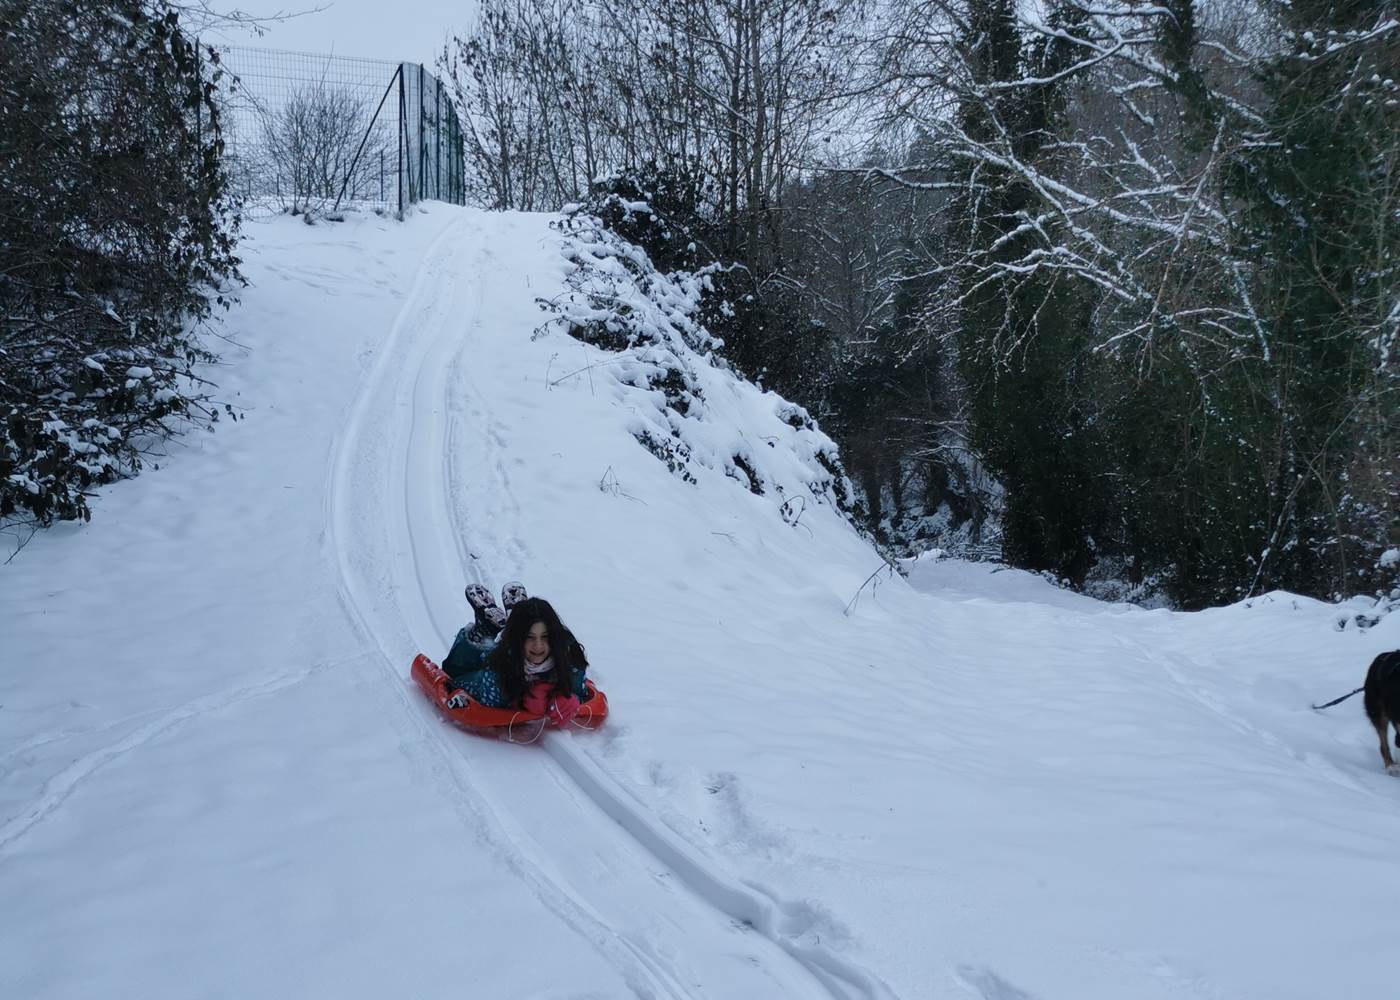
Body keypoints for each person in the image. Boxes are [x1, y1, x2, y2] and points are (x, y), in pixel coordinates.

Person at [442, 585, 590, 725]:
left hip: (514, 647)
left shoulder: (568, 653)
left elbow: (582, 692)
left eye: (545, 637)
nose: (538, 646)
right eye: (529, 637)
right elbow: (489, 706)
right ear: (519, 639)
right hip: (479, 664)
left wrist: (568, 699)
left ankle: (509, 624)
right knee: (456, 669)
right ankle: (481, 631)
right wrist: (522, 701)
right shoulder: (498, 668)